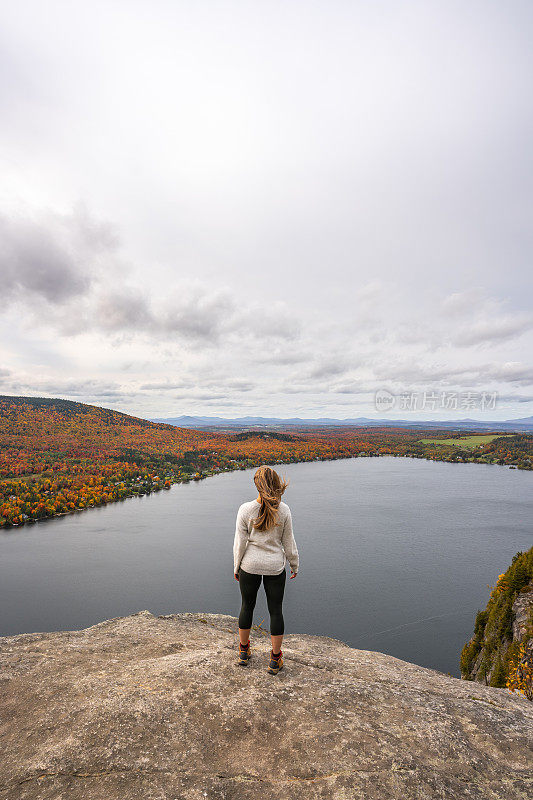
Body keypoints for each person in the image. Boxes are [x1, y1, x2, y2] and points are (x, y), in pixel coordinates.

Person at [233, 464, 299, 674]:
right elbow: (289, 543)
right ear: (276, 484)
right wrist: (294, 563)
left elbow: (240, 543)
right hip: (274, 567)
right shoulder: (284, 510)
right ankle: (275, 659)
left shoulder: (245, 509)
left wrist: (237, 566)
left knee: (246, 607)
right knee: (276, 611)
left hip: (249, 566)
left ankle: (244, 653)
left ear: (257, 485)